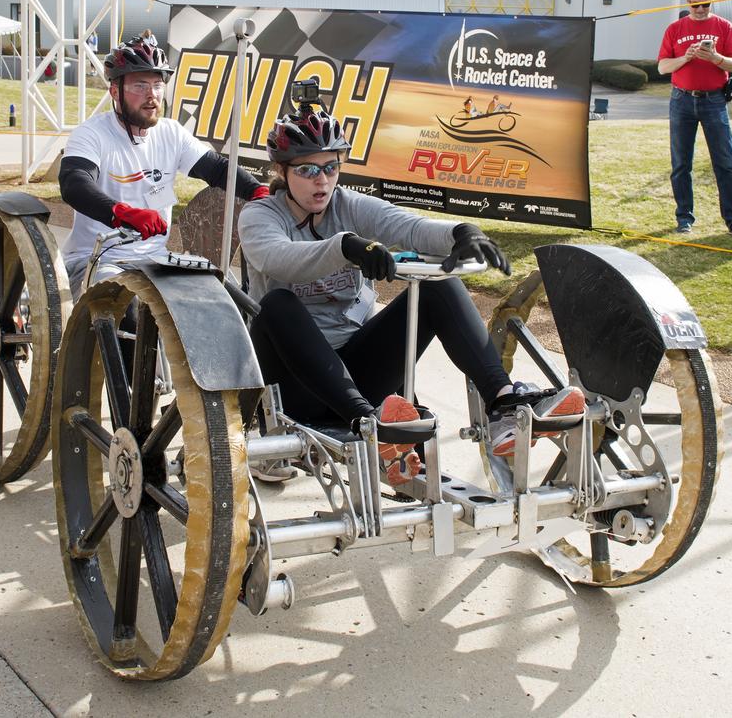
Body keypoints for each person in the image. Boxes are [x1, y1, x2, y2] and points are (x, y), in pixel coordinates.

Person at [237, 98, 564, 485]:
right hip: (292, 385)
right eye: (307, 169)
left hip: (356, 372)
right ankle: (370, 428)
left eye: (330, 167)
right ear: (282, 170)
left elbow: (406, 226)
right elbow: (279, 259)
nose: (321, 180)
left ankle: (503, 403)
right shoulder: (260, 216)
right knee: (277, 302)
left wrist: (459, 233)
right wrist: (345, 247)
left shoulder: (348, 205)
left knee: (439, 287)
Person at [56, 34, 269, 291]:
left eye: (157, 85)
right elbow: (74, 184)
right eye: (140, 86)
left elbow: (217, 169)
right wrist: (121, 213)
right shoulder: (91, 134)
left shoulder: (171, 132)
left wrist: (259, 191)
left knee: (213, 299)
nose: (152, 95)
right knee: (126, 304)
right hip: (97, 261)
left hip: (155, 261)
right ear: (114, 91)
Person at [657, 0, 732, 238]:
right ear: (688, 2)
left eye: (706, 4)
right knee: (681, 163)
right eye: (696, 5)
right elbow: (662, 67)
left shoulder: (724, 27)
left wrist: (715, 58)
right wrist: (685, 57)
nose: (701, 9)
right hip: (682, 101)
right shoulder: (675, 29)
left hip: (714, 101)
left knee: (725, 163)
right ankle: (684, 218)